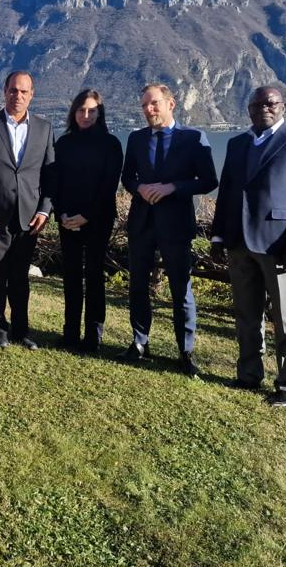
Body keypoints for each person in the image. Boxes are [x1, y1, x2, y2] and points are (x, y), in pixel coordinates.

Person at [211, 86, 286, 408]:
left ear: (283, 106)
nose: (264, 108)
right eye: (257, 104)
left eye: (270, 103)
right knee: (246, 316)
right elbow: (227, 193)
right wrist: (218, 236)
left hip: (282, 247)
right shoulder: (237, 144)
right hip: (240, 244)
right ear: (248, 109)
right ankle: (249, 375)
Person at [120, 83, 217, 376]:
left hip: (176, 224)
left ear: (170, 104)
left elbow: (208, 181)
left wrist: (173, 187)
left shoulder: (193, 138)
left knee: (180, 289)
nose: (148, 109)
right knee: (138, 285)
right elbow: (127, 177)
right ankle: (140, 342)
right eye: (144, 105)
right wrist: (140, 188)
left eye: (154, 103)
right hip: (141, 222)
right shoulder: (136, 139)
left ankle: (185, 351)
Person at [0, 71, 54, 350]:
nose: (18, 96)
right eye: (13, 90)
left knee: (20, 276)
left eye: (24, 91)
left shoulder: (44, 128)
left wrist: (45, 210)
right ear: (4, 91)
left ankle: (21, 330)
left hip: (29, 218)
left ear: (32, 95)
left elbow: (50, 175)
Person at [52, 89, 124, 354]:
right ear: (74, 112)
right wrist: (61, 213)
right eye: (81, 110)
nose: (85, 115)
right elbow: (56, 182)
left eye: (91, 110)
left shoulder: (111, 144)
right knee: (71, 276)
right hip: (68, 220)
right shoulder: (64, 143)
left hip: (98, 219)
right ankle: (70, 333)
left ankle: (93, 336)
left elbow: (108, 187)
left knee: (94, 276)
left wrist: (86, 216)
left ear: (99, 113)